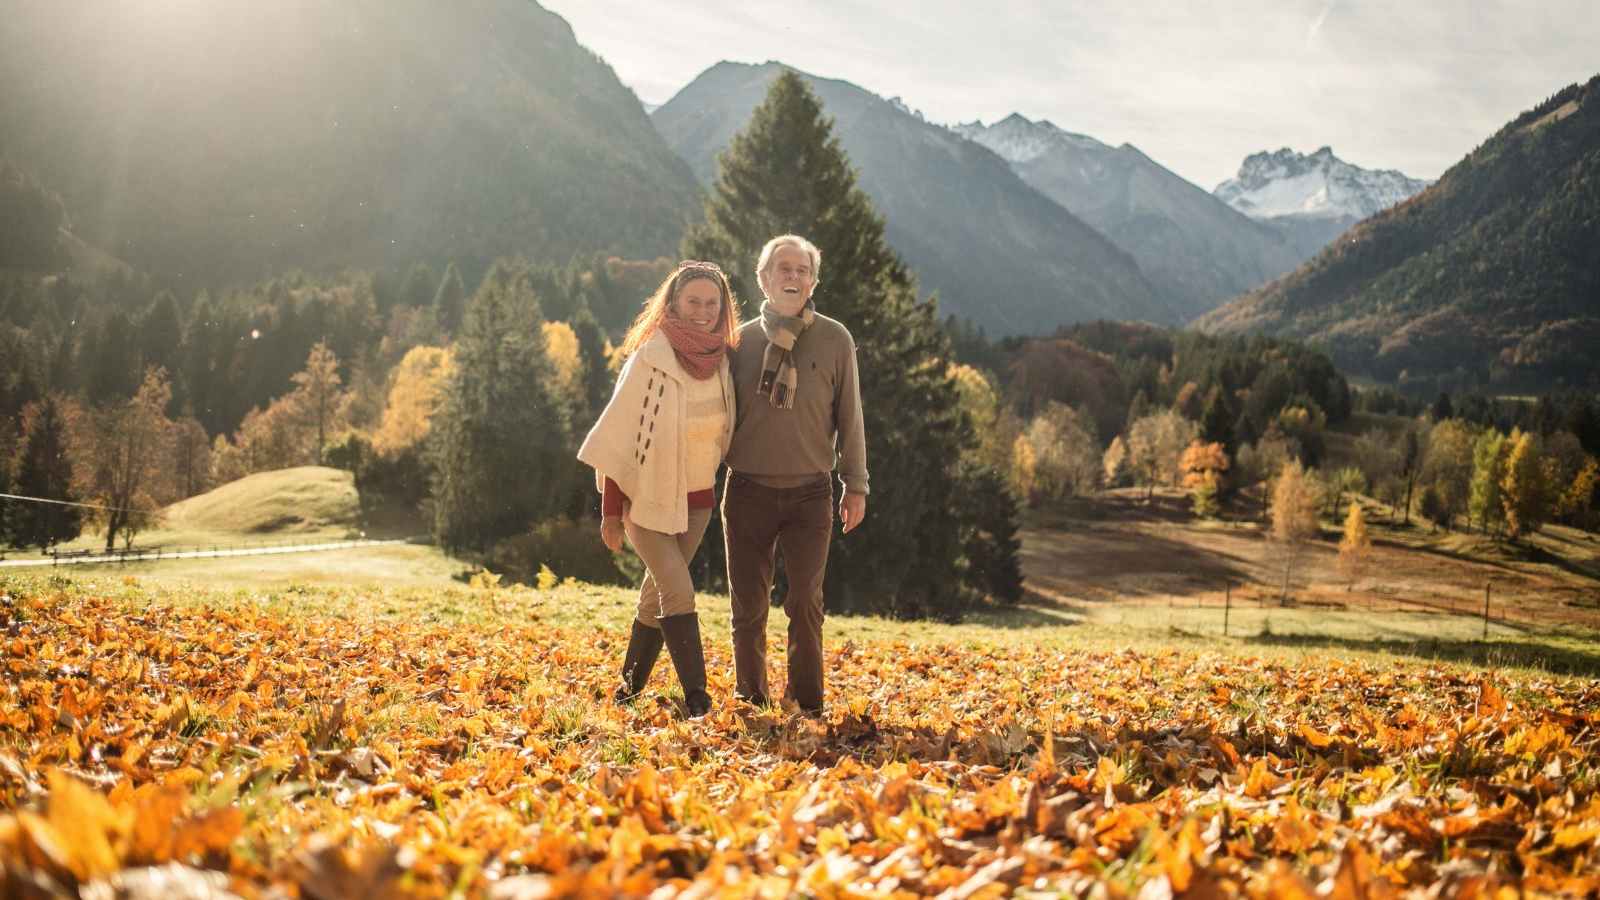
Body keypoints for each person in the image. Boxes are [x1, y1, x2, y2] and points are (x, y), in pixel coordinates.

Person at [577, 260, 739, 718]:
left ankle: (627, 691)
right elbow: (620, 438)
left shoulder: (722, 361)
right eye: (693, 302)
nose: (703, 311)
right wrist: (611, 512)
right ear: (673, 303)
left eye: (712, 303)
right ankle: (698, 700)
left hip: (698, 503)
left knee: (656, 594)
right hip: (644, 503)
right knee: (678, 591)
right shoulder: (650, 358)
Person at [722, 234, 867, 716]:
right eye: (782, 268)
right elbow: (713, 416)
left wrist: (856, 484)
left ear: (814, 281)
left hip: (811, 494)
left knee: (805, 602)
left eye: (801, 270)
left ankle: (807, 703)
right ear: (763, 279)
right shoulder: (738, 342)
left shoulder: (835, 339)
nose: (792, 276)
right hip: (746, 490)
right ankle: (751, 696)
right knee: (748, 606)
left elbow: (850, 417)